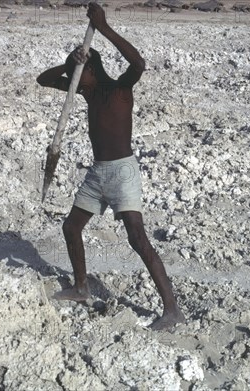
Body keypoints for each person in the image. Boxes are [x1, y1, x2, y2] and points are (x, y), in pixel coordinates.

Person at [36, 2, 185, 330]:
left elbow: (138, 63)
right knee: (71, 227)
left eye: (81, 70)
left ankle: (171, 309)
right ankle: (81, 286)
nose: (77, 77)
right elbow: (42, 79)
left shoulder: (120, 90)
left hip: (122, 171)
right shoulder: (85, 91)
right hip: (98, 173)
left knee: (137, 238)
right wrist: (68, 65)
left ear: (93, 69)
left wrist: (102, 28)